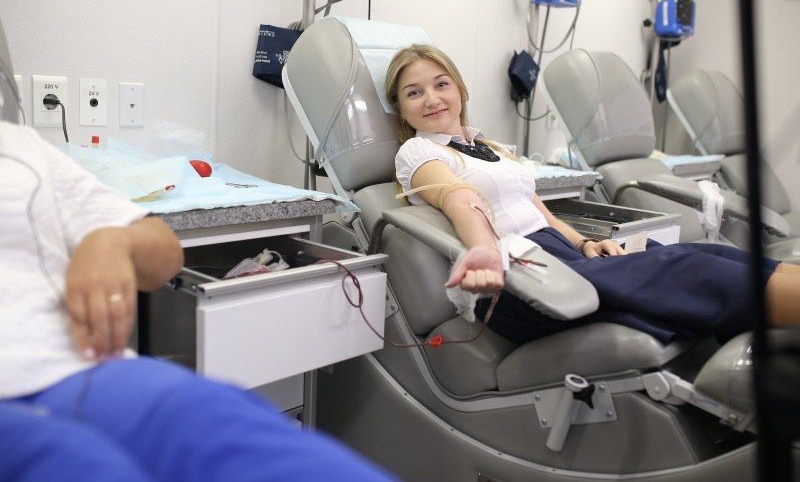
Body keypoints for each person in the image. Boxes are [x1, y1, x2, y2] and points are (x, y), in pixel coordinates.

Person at [0, 121, 393, 481]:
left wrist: (113, 240)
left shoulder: (23, 150)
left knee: (241, 430)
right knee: (76, 462)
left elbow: (165, 251)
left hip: (90, 370)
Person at [386, 44, 800, 345]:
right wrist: (483, 250)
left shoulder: (492, 149)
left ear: (460, 89)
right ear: (400, 109)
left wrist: (585, 243)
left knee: (708, 252)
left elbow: (542, 214)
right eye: (414, 92)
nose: (432, 99)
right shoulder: (417, 151)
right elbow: (459, 197)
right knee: (687, 268)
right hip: (521, 280)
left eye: (441, 84)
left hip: (555, 256)